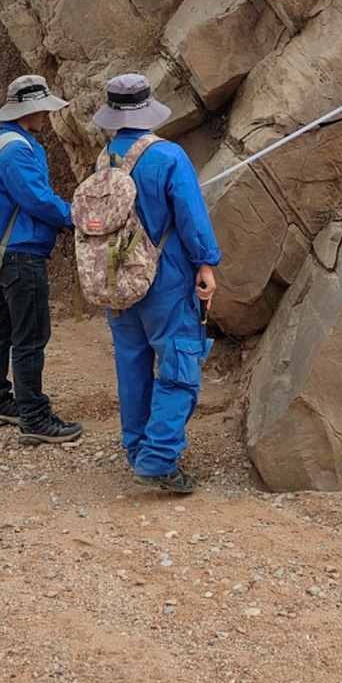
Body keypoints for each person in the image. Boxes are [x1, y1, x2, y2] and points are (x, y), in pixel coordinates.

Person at [92, 73, 221, 494]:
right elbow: (190, 216)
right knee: (179, 362)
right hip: (165, 278)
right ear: (148, 110)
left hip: (117, 280)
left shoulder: (104, 159)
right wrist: (206, 264)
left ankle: (138, 449)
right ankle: (158, 457)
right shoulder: (168, 157)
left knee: (132, 365)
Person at [0, 74, 82, 445]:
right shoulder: (18, 150)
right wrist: (76, 216)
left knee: (0, 331)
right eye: (42, 109)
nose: (45, 117)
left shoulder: (6, 143)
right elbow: (37, 199)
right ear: (31, 109)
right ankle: (35, 418)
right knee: (30, 337)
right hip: (24, 256)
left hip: (8, 254)